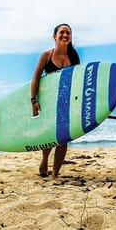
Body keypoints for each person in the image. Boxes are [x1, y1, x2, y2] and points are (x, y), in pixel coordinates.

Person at [30, 23, 81, 178]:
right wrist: (34, 101)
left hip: (66, 102)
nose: (65, 35)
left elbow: (77, 80)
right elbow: (36, 78)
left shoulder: (74, 56)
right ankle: (45, 159)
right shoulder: (46, 55)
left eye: (68, 33)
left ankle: (55, 173)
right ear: (54, 36)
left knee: (63, 138)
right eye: (62, 32)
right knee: (50, 136)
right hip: (49, 102)